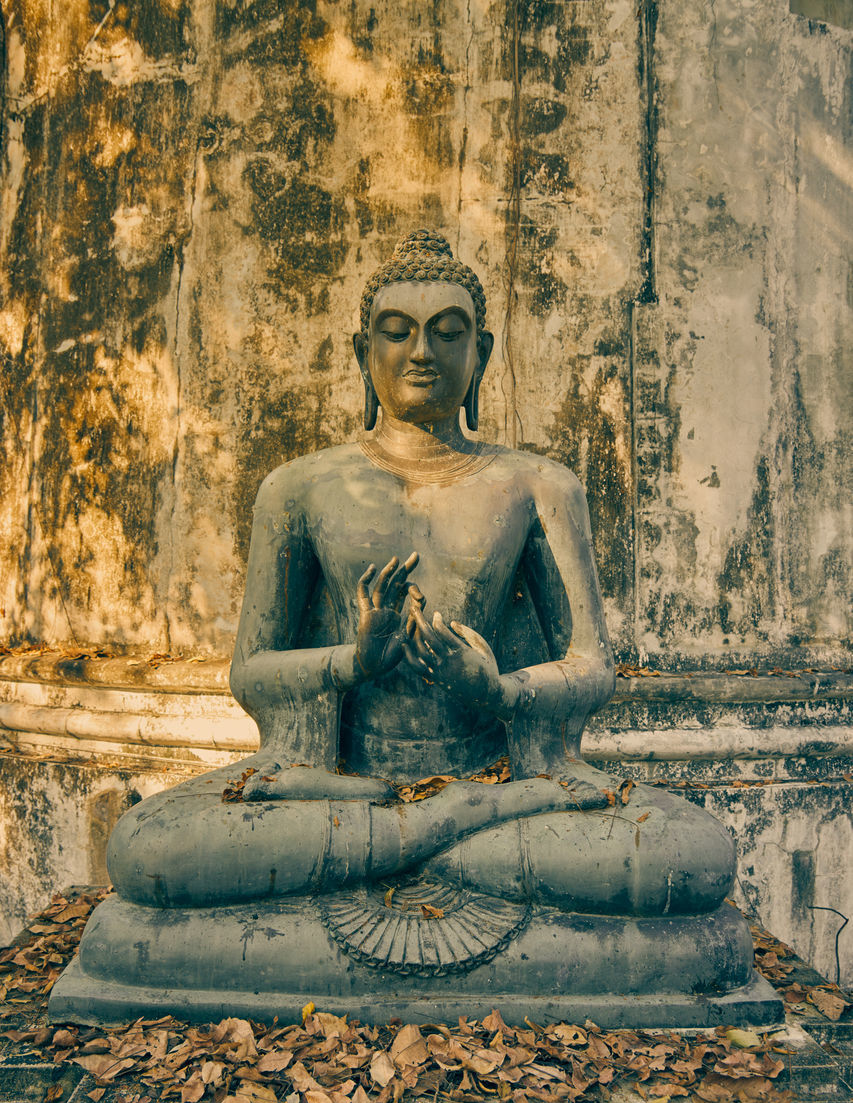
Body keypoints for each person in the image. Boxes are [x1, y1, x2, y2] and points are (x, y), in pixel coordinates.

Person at [106, 231, 734, 920]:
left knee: (691, 858)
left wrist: (499, 689)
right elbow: (251, 671)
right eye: (396, 332)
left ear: (482, 353)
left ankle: (402, 839)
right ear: (361, 352)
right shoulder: (298, 488)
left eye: (447, 333)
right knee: (145, 849)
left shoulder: (536, 485)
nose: (421, 352)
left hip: (476, 775)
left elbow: (591, 666)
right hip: (342, 786)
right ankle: (450, 828)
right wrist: (352, 660)